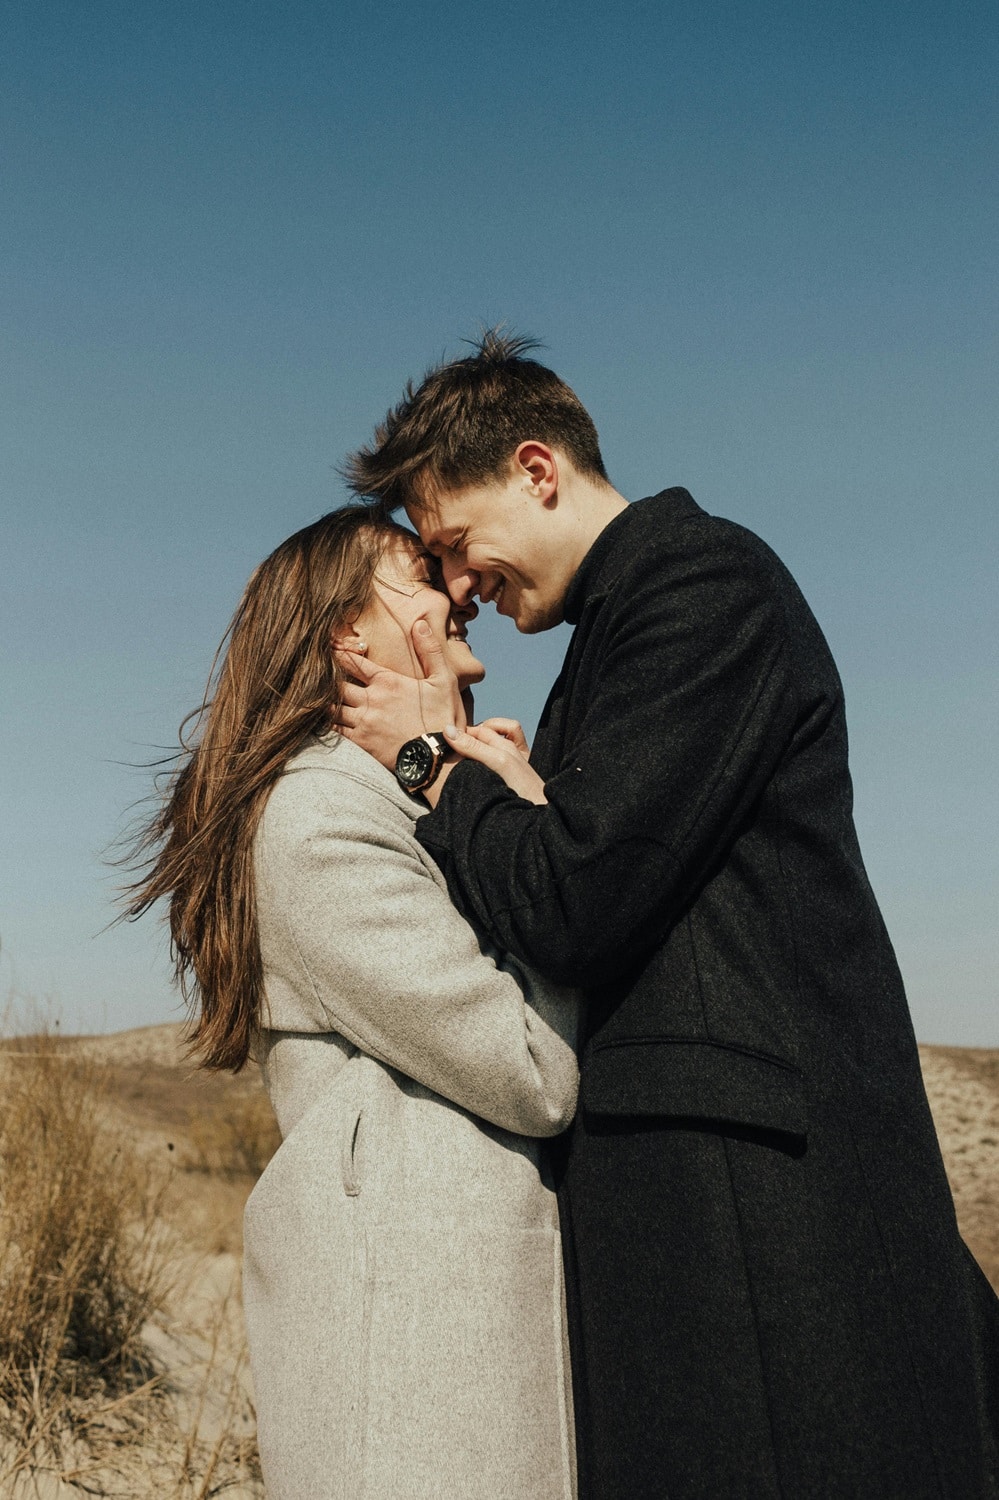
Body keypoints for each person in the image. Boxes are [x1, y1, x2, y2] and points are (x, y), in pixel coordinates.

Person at [337, 331, 999, 1499]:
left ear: (537, 469)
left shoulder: (701, 584)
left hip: (757, 1216)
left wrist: (432, 764)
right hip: (702, 1198)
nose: (458, 587)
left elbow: (576, 896)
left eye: (454, 544)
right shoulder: (617, 629)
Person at [124, 506, 579, 1500]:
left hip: (444, 1325)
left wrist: (458, 778)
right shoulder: (317, 816)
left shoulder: (398, 796)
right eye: (421, 573)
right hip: (412, 1356)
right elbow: (532, 1071)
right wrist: (537, 832)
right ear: (345, 634)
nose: (461, 592)